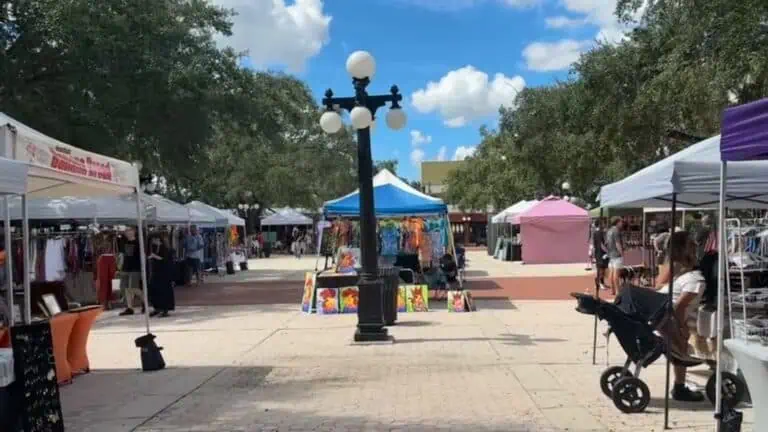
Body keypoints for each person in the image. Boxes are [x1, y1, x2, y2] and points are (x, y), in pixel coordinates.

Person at [654, 231, 706, 402]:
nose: (695, 244)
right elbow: (660, 285)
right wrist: (677, 285)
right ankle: (679, 386)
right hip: (675, 310)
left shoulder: (684, 263)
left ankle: (679, 386)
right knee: (680, 348)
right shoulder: (675, 264)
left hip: (678, 306)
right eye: (690, 242)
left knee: (680, 349)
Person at [118, 227, 145, 316]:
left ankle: (146, 301)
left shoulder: (138, 243)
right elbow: (122, 256)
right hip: (125, 268)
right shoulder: (123, 243)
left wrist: (142, 268)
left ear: (134, 232)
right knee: (126, 289)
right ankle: (130, 308)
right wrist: (119, 267)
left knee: (134, 287)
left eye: (129, 231)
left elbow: (142, 256)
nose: (128, 233)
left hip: (135, 268)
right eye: (126, 231)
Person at [148, 234, 175, 317]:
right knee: (154, 290)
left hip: (164, 273)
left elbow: (164, 259)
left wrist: (154, 256)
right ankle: (157, 307)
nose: (153, 241)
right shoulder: (155, 247)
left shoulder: (165, 248)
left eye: (154, 240)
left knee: (164, 291)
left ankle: (165, 309)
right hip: (156, 272)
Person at [605, 217, 625, 295]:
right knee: (616, 274)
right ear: (617, 222)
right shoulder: (616, 231)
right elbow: (617, 243)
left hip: (611, 254)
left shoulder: (609, 231)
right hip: (617, 254)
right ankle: (617, 291)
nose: (622, 223)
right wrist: (622, 253)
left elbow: (606, 243)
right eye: (621, 222)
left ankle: (612, 290)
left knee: (611, 273)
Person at [591, 220, 608, 291]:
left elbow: (595, 245)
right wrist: (607, 251)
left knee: (602, 269)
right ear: (600, 224)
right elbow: (601, 244)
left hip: (598, 253)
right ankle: (599, 283)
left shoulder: (595, 232)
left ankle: (601, 282)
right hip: (601, 254)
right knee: (601, 269)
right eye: (603, 223)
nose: (604, 224)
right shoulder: (599, 233)